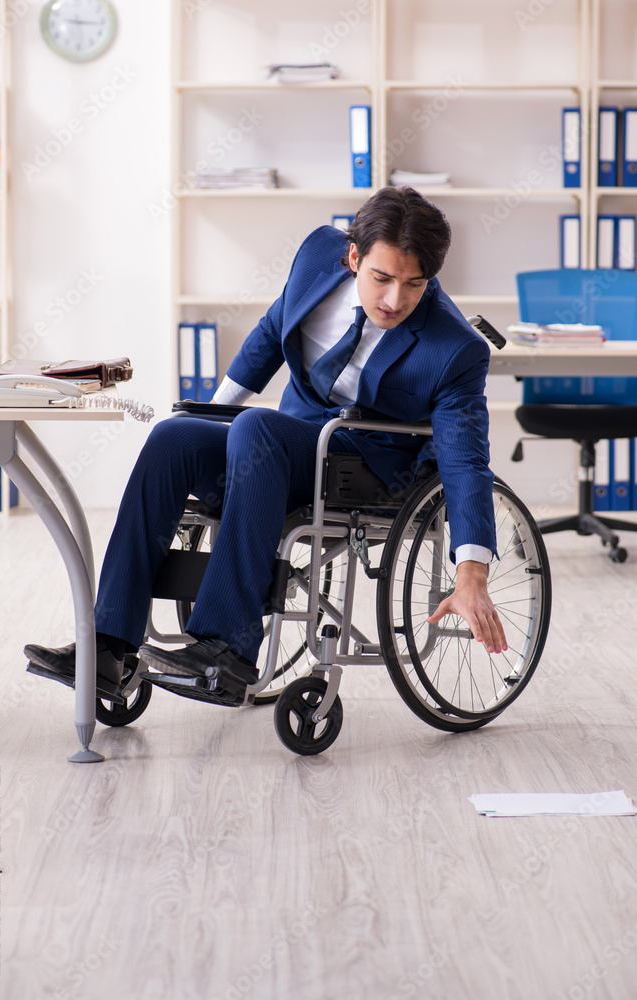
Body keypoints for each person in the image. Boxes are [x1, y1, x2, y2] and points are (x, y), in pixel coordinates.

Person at [25, 186, 506, 706]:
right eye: (382, 278)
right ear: (352, 257)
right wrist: (214, 412)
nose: (395, 300)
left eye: (414, 285)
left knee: (258, 428)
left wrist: (472, 571)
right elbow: (272, 331)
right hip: (283, 446)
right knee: (174, 436)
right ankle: (109, 646)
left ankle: (226, 651)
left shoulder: (455, 348)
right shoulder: (317, 255)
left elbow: (465, 458)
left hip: (361, 468)